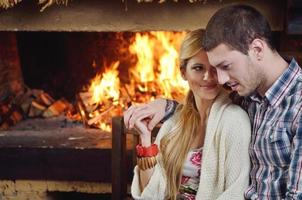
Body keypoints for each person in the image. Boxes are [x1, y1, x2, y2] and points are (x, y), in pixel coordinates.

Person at [125, 4, 302, 200]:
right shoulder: (250, 96)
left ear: (257, 49)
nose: (221, 80)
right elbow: (205, 111)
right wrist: (165, 106)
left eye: (225, 66)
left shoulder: (297, 106)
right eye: (202, 68)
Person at [128, 29, 251, 200]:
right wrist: (146, 138)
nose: (208, 77)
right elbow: (149, 192)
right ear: (183, 73)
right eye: (198, 68)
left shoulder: (235, 122)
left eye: (214, 69)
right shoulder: (175, 122)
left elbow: (236, 192)